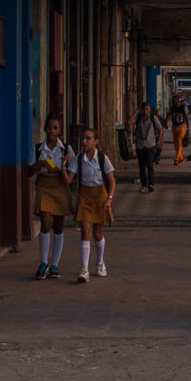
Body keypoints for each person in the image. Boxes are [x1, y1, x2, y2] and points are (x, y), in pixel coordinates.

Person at [25, 113, 74, 280]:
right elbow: (28, 171)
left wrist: (63, 167)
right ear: (44, 129)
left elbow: (73, 171)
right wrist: (38, 164)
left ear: (60, 131)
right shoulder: (38, 148)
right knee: (45, 223)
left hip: (59, 186)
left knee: (58, 226)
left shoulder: (66, 149)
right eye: (49, 128)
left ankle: (55, 264)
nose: (52, 131)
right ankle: (44, 262)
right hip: (44, 185)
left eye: (55, 128)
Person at [68, 128, 115, 283]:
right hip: (85, 196)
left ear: (96, 141)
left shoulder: (102, 158)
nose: (84, 141)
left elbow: (112, 181)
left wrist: (109, 199)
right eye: (83, 138)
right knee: (85, 231)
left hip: (100, 196)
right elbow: (69, 179)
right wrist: (62, 167)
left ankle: (100, 262)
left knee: (97, 233)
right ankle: (84, 270)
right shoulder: (78, 159)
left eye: (88, 138)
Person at [131, 101, 163, 193]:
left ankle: (151, 184)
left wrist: (159, 141)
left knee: (150, 165)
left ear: (149, 110)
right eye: (144, 109)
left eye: (147, 109)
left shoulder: (153, 118)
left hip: (150, 145)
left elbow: (160, 130)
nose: (145, 111)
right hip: (140, 146)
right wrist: (136, 111)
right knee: (141, 166)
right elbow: (129, 122)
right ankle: (144, 185)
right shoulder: (138, 118)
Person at [169, 95, 189, 165]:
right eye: (173, 100)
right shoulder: (172, 108)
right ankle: (181, 159)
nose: (174, 101)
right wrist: (165, 123)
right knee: (175, 144)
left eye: (175, 100)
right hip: (174, 127)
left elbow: (186, 118)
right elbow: (169, 115)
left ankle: (176, 158)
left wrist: (188, 128)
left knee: (179, 142)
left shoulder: (183, 107)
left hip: (181, 126)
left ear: (179, 100)